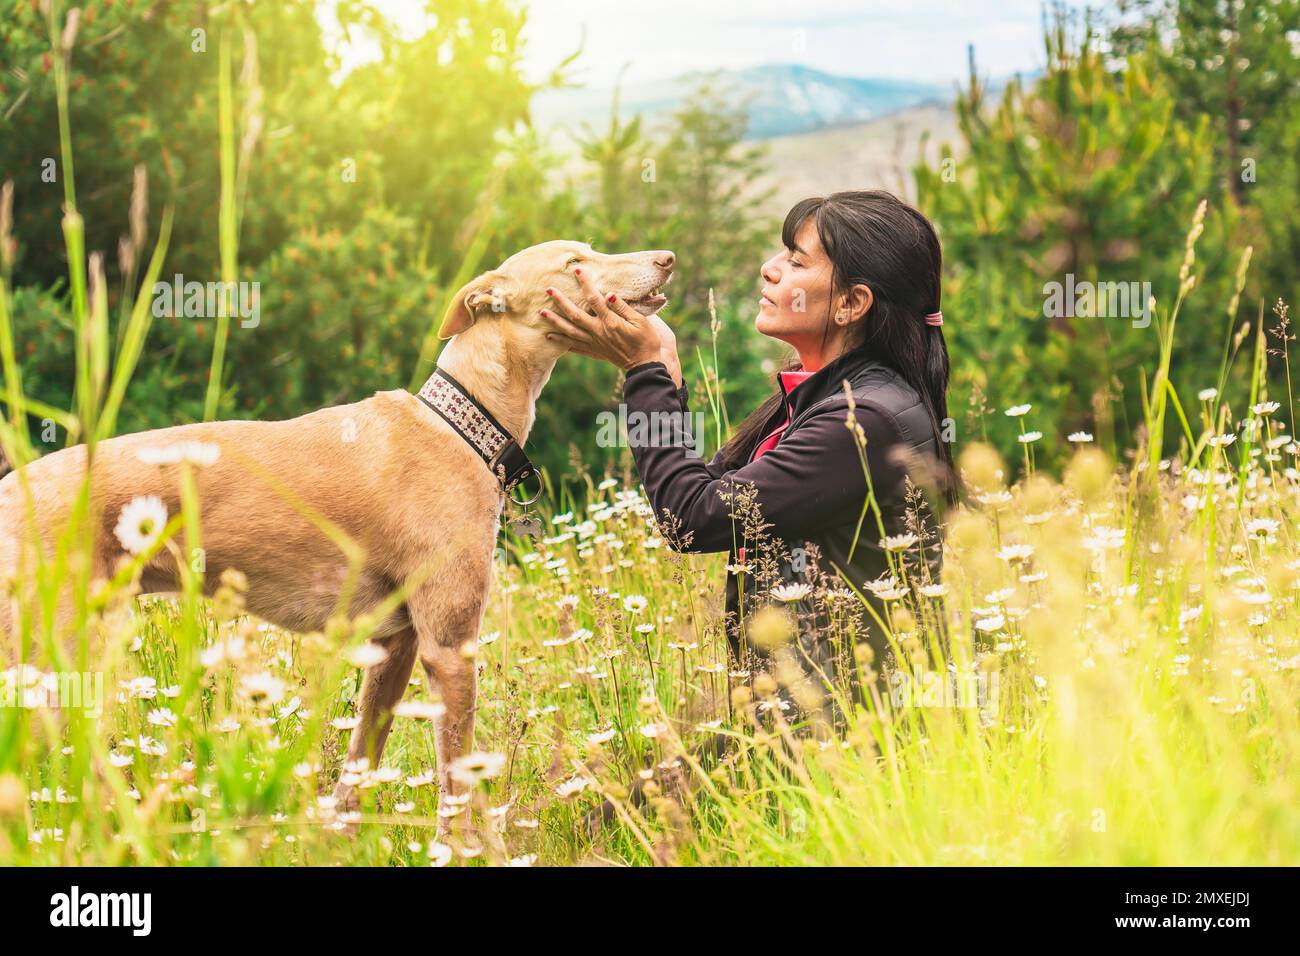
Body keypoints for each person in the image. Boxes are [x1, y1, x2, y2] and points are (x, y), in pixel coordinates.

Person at [543, 189, 958, 724]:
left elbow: (689, 520)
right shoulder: (828, 398)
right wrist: (662, 366)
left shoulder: (862, 423)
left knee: (623, 805)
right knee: (614, 807)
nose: (770, 269)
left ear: (851, 303)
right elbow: (706, 490)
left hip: (842, 734)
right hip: (804, 713)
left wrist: (645, 373)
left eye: (796, 261)